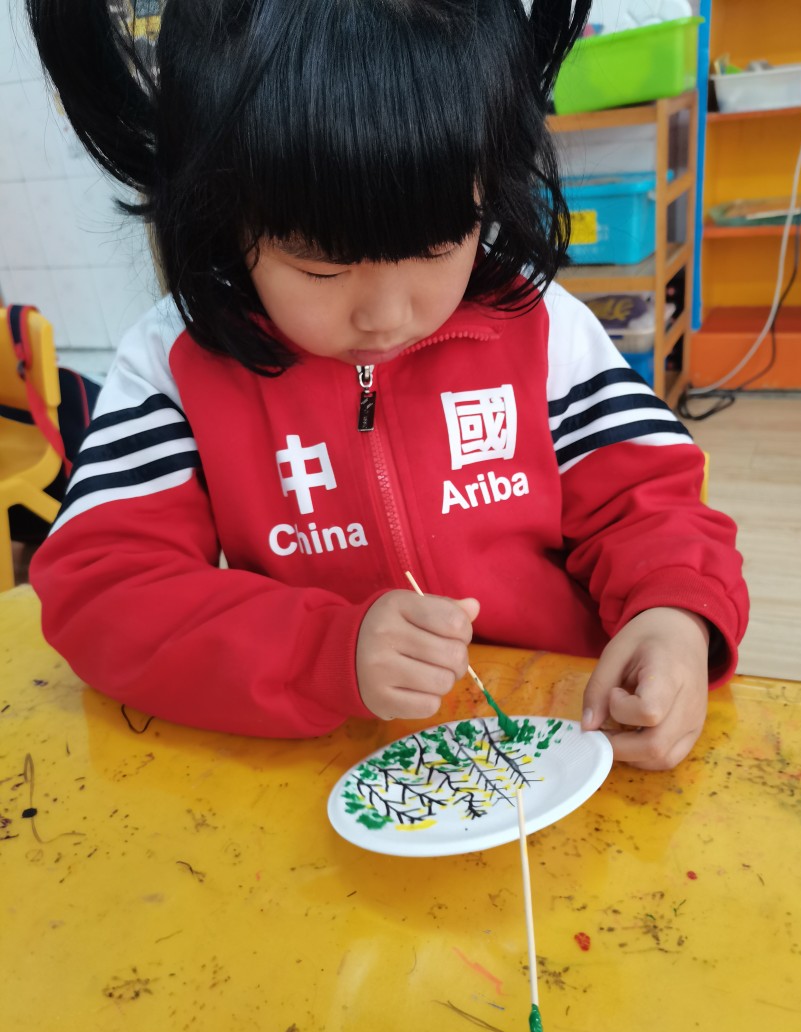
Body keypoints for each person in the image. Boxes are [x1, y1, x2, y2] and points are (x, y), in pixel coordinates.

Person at [27, 0, 747, 770]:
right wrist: (321, 651)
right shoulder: (178, 362)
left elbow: (651, 503)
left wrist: (676, 614)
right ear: (221, 211)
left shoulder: (542, 329)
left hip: (561, 735)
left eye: (438, 247)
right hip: (334, 767)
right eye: (320, 267)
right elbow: (102, 593)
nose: (386, 315)